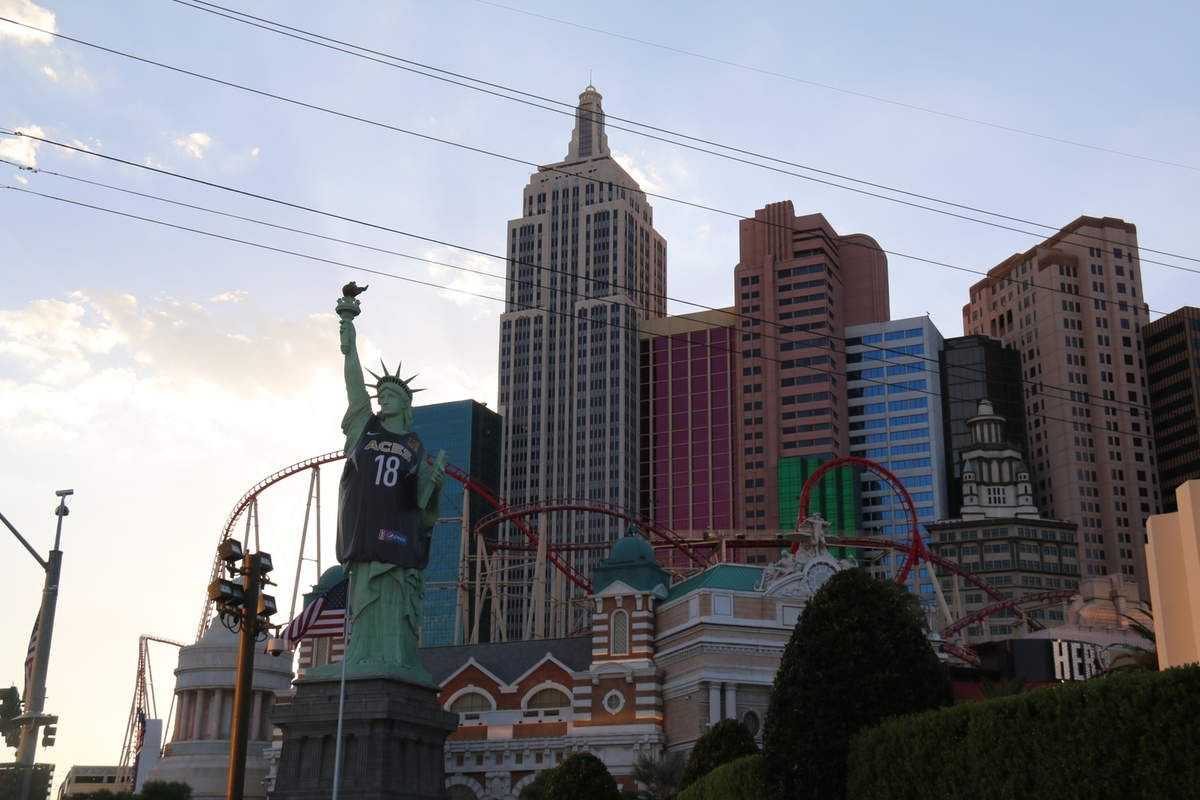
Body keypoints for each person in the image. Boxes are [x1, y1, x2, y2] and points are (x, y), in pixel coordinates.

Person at [331, 291, 446, 681]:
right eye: (381, 394)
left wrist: (435, 486)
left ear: (406, 403)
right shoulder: (365, 426)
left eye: (392, 395)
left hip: (400, 534)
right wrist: (348, 331)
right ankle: (363, 657)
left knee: (397, 601)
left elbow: (424, 511)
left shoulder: (415, 446)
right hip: (367, 529)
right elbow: (353, 383)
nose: (384, 399)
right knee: (367, 598)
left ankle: (396, 660)